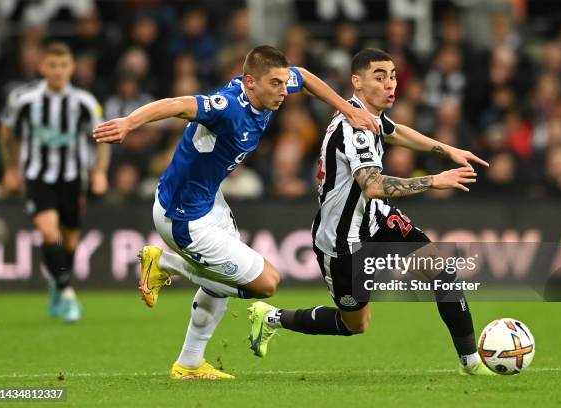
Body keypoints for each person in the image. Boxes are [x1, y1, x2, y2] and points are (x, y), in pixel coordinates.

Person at [92, 45, 379, 380]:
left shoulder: (274, 88)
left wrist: (348, 110)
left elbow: (308, 78)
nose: (283, 90)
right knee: (266, 284)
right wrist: (130, 122)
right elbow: (177, 105)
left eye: (284, 82)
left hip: (210, 202)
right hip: (182, 218)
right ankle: (165, 263)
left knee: (220, 283)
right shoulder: (227, 106)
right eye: (275, 83)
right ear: (249, 82)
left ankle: (189, 363)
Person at [247, 48, 495, 376]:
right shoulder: (354, 127)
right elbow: (373, 185)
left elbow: (398, 132)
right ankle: (271, 317)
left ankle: (471, 363)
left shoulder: (369, 115)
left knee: (443, 272)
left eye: (392, 76)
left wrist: (449, 149)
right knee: (355, 324)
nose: (390, 84)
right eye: (379, 77)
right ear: (357, 83)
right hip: (343, 240)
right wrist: (436, 180)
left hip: (376, 218)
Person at [0, 42, 109, 323]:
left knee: (70, 238)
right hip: (38, 176)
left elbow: (102, 139)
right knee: (49, 233)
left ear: (71, 67)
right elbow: (7, 132)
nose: (58, 71)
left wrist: (99, 172)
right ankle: (67, 292)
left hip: (73, 177)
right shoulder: (24, 99)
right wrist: (12, 168)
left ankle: (58, 285)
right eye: (52, 65)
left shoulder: (84, 102)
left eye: (63, 65)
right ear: (42, 67)